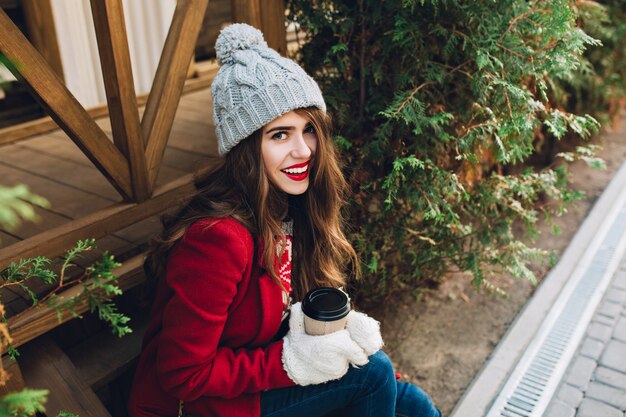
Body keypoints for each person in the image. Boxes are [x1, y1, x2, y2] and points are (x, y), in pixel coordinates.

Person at [128, 23, 442, 417]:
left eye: (309, 130)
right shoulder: (217, 239)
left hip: (251, 383)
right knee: (373, 375)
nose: (302, 149)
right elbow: (183, 374)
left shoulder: (292, 208)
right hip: (202, 405)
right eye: (279, 135)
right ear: (247, 148)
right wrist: (291, 362)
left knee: (411, 402)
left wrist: (339, 340)